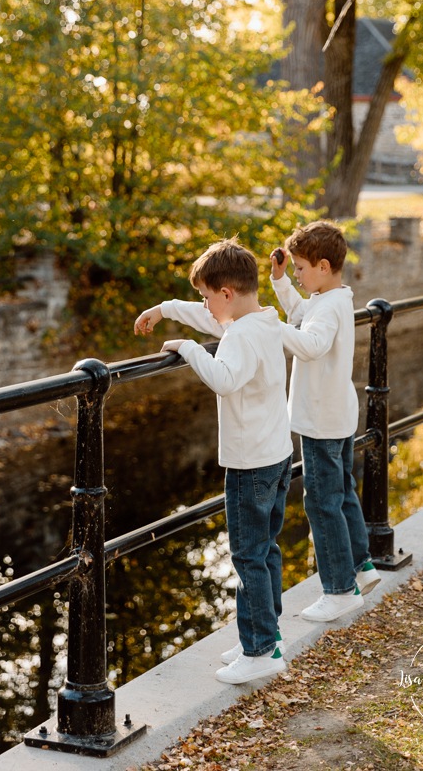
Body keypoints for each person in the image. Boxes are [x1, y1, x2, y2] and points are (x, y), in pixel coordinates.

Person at [134, 238, 293, 685]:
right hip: (277, 455)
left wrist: (188, 348)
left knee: (247, 556)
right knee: (266, 550)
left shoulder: (239, 335)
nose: (203, 305)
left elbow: (224, 380)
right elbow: (206, 315)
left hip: (250, 464)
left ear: (226, 294)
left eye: (207, 296)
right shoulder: (263, 321)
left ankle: (260, 649)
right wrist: (165, 308)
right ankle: (265, 633)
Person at [270, 220, 380, 623]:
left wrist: (267, 324)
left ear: (322, 264)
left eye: (299, 268)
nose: (297, 275)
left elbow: (312, 343)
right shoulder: (328, 298)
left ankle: (338, 590)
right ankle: (361, 566)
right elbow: (301, 314)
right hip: (335, 415)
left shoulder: (330, 306)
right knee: (343, 492)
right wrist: (280, 282)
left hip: (321, 420)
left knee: (321, 501)